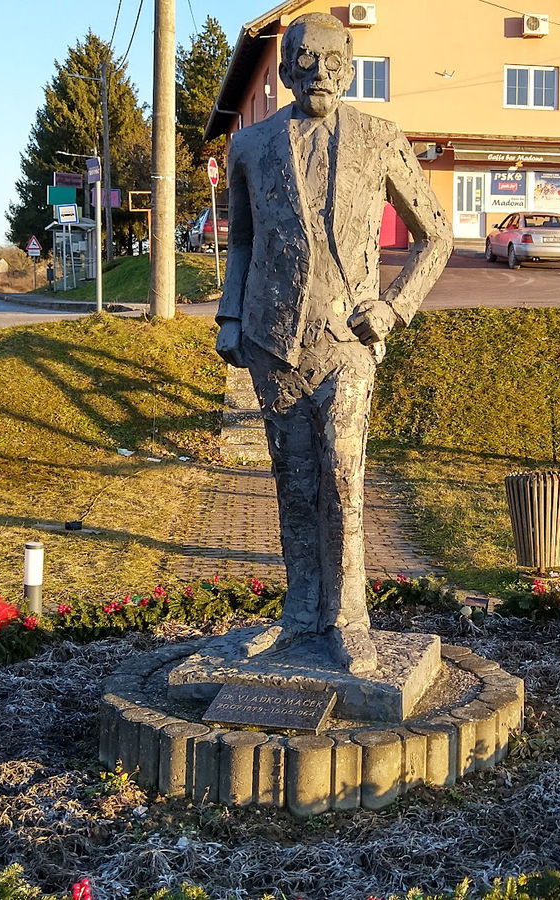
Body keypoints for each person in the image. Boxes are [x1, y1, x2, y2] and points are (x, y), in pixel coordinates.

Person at [214, 11, 451, 676]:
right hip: (272, 338)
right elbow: (242, 241)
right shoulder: (251, 146)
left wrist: (395, 305)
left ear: (351, 66)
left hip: (347, 338)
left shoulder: (379, 138)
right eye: (304, 59)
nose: (319, 71)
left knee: (344, 478)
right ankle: (300, 617)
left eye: (332, 59)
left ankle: (348, 622)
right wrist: (230, 318)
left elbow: (436, 234)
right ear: (285, 67)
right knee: (293, 483)